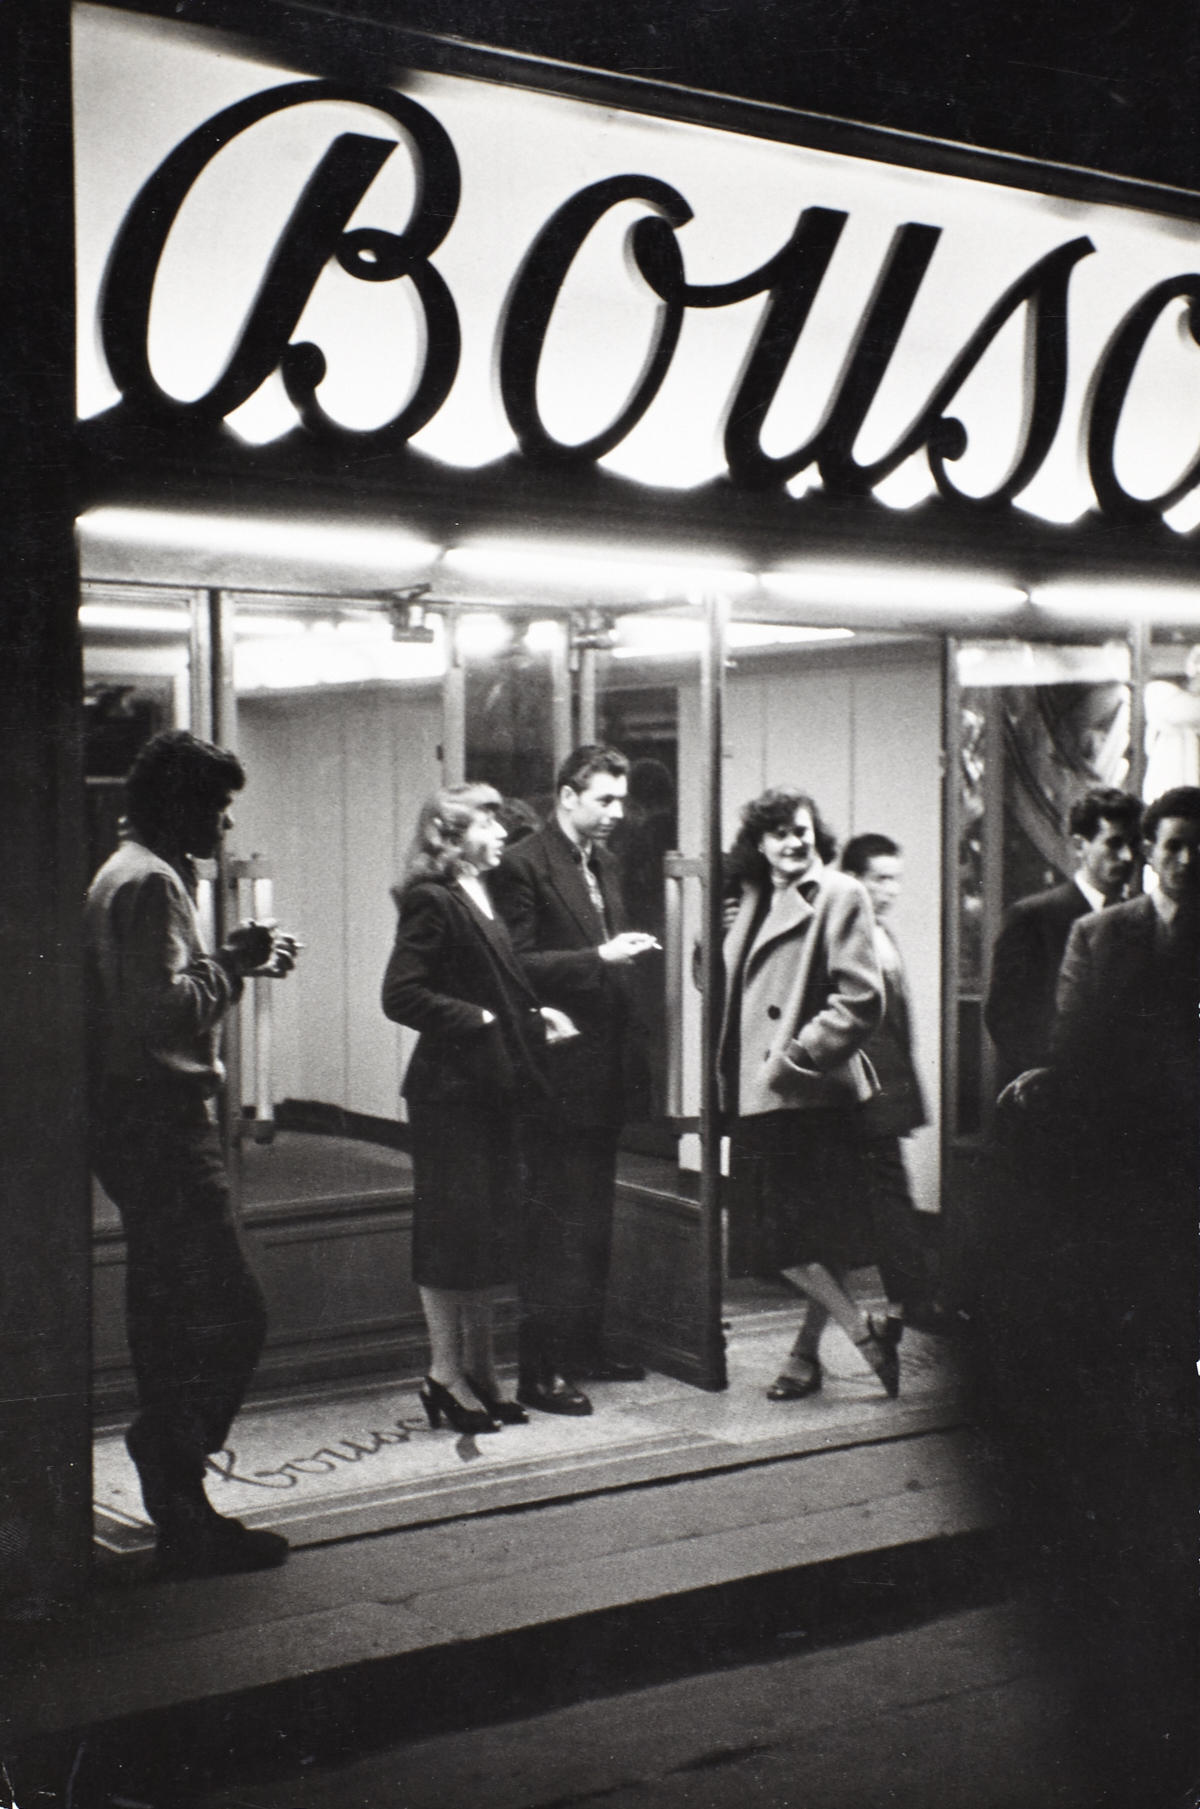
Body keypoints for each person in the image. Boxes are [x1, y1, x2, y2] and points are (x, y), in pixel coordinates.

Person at [1000, 787, 1200, 1807]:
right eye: (1173, 847)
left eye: (1196, 849)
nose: (1182, 863)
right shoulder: (1100, 933)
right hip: (1122, 1171)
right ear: (1151, 851)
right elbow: (1073, 1036)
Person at [84, 729, 300, 1576]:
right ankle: (169, 1461)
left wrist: (231, 966)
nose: (225, 820)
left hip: (134, 1122)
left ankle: (181, 1504)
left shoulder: (126, 870)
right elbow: (159, 1011)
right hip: (162, 1123)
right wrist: (233, 962)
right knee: (232, 1312)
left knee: (172, 1311)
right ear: (178, 804)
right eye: (216, 803)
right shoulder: (151, 879)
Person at [381, 783, 576, 1436]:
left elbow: (489, 981)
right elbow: (401, 994)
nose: (501, 832)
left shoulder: (478, 892)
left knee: (484, 1238)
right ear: (450, 835)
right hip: (450, 1096)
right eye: (487, 823)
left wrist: (532, 1016)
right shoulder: (432, 899)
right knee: (450, 1237)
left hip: (487, 1090)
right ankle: (444, 1374)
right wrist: (482, 1019)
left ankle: (481, 1372)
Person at [491, 746, 659, 1415]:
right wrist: (599, 956)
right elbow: (515, 963)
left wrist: (610, 957)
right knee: (554, 1221)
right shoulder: (523, 864)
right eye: (605, 799)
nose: (617, 811)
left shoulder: (602, 862)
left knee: (592, 1218)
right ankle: (540, 1371)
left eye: (621, 799)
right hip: (556, 1071)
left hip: (603, 1068)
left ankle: (584, 1348)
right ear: (567, 795)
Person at [718, 787, 893, 1401]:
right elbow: (721, 987)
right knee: (799, 1239)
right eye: (779, 833)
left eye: (801, 830)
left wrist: (797, 1058)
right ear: (759, 843)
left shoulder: (839, 893)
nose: (793, 842)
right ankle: (814, 1351)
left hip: (805, 1092)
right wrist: (713, 940)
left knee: (788, 1240)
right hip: (756, 1087)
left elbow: (862, 998)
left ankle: (857, 1335)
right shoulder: (749, 898)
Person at [839, 833, 941, 1336]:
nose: (890, 890)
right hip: (858, 1088)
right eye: (880, 879)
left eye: (895, 879)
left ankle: (905, 1300)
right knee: (888, 1193)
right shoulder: (842, 936)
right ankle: (911, 1299)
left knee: (882, 1192)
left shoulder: (882, 934)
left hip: (884, 1086)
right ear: (852, 880)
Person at [983, 785, 1142, 1087]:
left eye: (1134, 843)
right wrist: (1052, 1076)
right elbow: (1004, 1015)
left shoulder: (1141, 919)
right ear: (1080, 845)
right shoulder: (1032, 917)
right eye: (1114, 843)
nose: (1127, 856)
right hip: (1055, 1093)